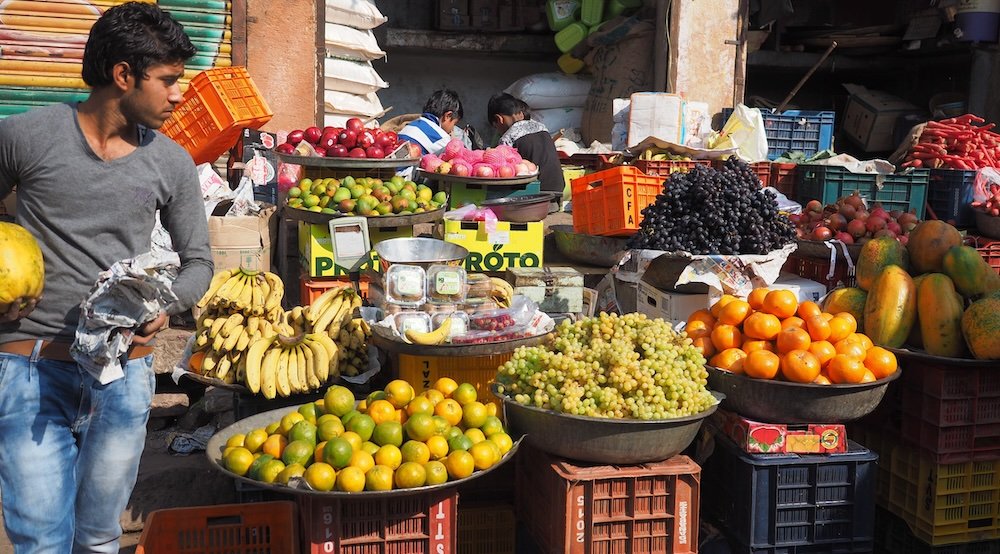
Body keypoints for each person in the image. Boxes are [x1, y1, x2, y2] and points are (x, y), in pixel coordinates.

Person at [0, 3, 214, 552]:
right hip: (30, 367)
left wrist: (165, 307)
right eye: (167, 80)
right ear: (124, 75)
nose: (177, 94)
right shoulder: (24, 137)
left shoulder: (171, 163)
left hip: (122, 375)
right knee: (40, 542)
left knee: (98, 538)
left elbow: (198, 264)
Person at [487, 92, 564, 194]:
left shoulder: (508, 138)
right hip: (558, 189)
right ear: (522, 114)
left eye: (496, 127)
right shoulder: (542, 127)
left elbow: (504, 173)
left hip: (537, 194)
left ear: (499, 119)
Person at [398, 89, 464, 156]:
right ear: (448, 116)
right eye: (454, 124)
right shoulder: (441, 138)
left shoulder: (410, 125)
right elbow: (457, 156)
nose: (452, 129)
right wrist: (453, 142)